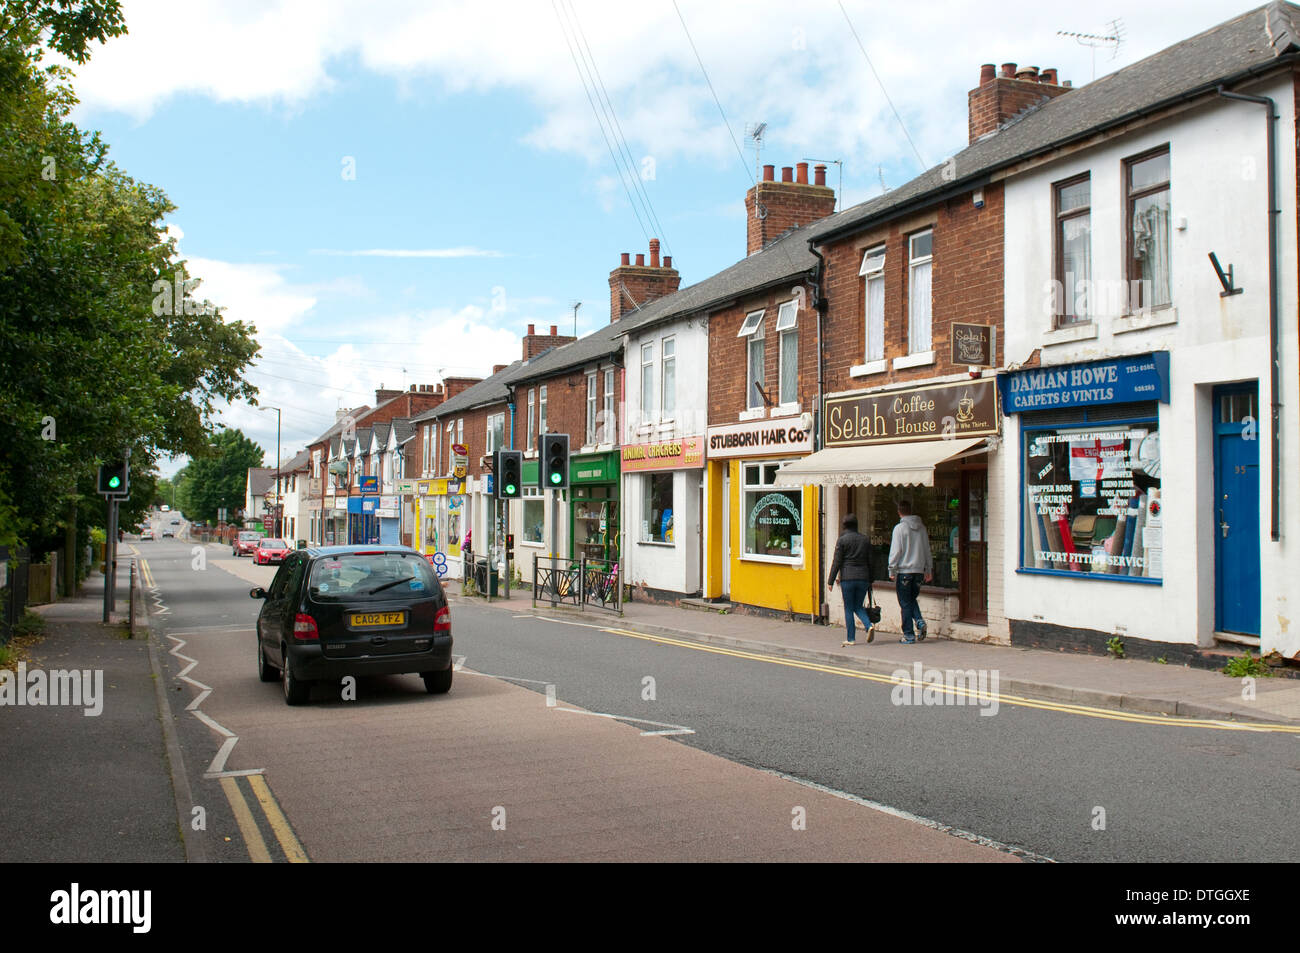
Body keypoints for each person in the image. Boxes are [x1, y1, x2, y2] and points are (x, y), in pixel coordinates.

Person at [826, 513, 875, 646]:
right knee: (858, 605)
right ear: (856, 525)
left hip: (847, 578)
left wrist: (830, 581)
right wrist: (871, 579)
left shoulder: (842, 540)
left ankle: (851, 638)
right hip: (863, 578)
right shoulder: (865, 540)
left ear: (844, 526)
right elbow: (871, 561)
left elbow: (837, 561)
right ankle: (868, 625)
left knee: (849, 608)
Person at [888, 499, 932, 644]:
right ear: (910, 510)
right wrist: (928, 569)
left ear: (899, 512)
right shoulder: (922, 528)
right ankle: (919, 621)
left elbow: (896, 551)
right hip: (919, 571)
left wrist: (891, 569)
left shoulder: (899, 529)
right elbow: (927, 550)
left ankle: (908, 635)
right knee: (911, 599)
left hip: (904, 571)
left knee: (905, 603)